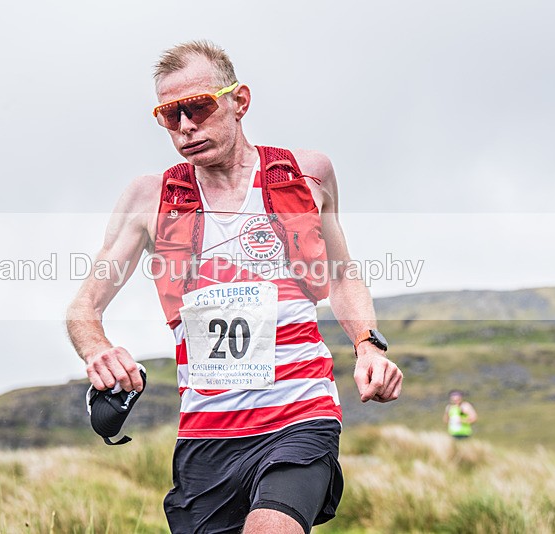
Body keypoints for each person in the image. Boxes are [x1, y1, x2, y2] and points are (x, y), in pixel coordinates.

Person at [67, 40, 403, 534]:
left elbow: (341, 274)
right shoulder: (149, 198)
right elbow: (84, 307)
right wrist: (96, 350)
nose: (185, 127)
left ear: (239, 101)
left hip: (300, 416)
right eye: (169, 115)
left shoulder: (306, 175)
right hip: (207, 437)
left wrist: (368, 345)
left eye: (198, 107)